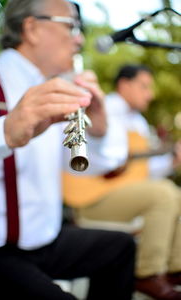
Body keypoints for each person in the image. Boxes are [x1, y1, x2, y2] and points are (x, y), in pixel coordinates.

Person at [0, 1, 136, 299]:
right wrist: (6, 130)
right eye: (72, 26)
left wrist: (100, 130)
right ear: (32, 28)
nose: (79, 38)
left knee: (121, 249)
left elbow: (84, 167)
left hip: (45, 240)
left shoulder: (57, 86)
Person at [63, 64, 181, 300]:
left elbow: (140, 174)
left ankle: (174, 270)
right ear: (124, 85)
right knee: (164, 193)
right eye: (144, 86)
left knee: (172, 193)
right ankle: (147, 273)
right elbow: (78, 155)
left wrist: (172, 162)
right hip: (90, 196)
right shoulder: (101, 108)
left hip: (120, 194)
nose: (150, 94)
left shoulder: (138, 123)